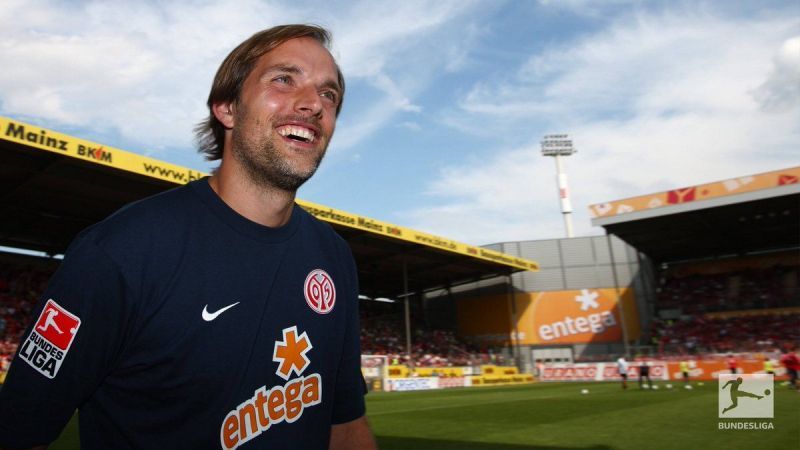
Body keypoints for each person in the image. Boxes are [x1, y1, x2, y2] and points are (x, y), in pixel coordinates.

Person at [0, 24, 376, 450]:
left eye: (329, 95)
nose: (313, 104)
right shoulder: (121, 251)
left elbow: (345, 425)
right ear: (227, 108)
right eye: (283, 79)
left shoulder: (333, 256)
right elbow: (18, 432)